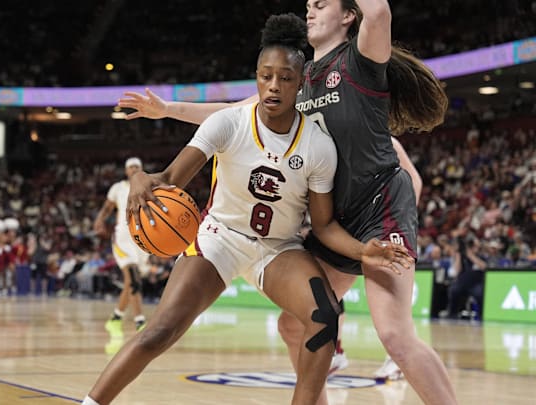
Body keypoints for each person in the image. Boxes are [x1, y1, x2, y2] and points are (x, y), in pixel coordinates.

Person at [116, 1, 457, 403]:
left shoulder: (360, 59)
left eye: (322, 3)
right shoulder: (299, 78)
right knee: (296, 325)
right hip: (336, 220)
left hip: (380, 206)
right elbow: (234, 112)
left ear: (348, 15)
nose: (310, 8)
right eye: (309, 3)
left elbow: (379, 13)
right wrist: (167, 110)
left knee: (396, 336)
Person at [94, 158, 151, 335]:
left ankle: (116, 317)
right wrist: (99, 221)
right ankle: (140, 321)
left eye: (137, 166)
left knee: (131, 282)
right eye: (131, 167)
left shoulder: (149, 186)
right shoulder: (118, 188)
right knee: (133, 278)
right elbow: (107, 208)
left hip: (143, 238)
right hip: (123, 238)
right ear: (126, 170)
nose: (134, 169)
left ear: (141, 169)